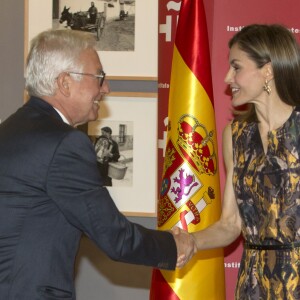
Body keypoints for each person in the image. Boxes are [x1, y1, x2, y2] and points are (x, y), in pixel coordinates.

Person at [0, 29, 196, 299]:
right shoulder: (64, 143)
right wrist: (174, 246)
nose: (105, 88)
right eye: (99, 77)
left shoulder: (10, 130)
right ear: (65, 83)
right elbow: (116, 238)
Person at [191, 24, 300, 299]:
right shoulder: (235, 136)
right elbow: (230, 224)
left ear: (268, 70)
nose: (228, 77)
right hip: (253, 285)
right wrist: (186, 242)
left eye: (236, 67)